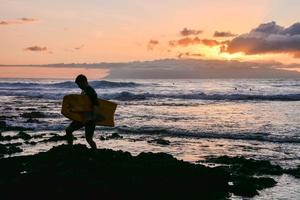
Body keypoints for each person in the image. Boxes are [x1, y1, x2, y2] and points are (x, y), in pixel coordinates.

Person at [65, 74, 99, 149]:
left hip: (90, 119)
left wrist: (93, 118)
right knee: (68, 130)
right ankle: (70, 148)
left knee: (89, 139)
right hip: (81, 117)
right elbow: (83, 105)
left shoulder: (90, 91)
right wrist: (73, 110)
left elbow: (96, 104)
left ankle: (95, 153)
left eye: (79, 84)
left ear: (83, 82)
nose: (78, 86)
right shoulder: (84, 91)